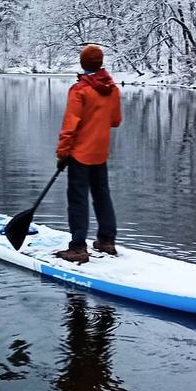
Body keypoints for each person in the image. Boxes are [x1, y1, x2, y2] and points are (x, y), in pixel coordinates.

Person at [55, 44, 122, 264]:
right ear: (100, 63)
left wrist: (63, 153)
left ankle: (77, 247)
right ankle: (106, 241)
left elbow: (69, 126)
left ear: (83, 64)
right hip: (100, 152)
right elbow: (115, 121)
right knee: (102, 196)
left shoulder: (80, 90)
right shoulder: (112, 89)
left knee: (77, 199)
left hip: (80, 154)